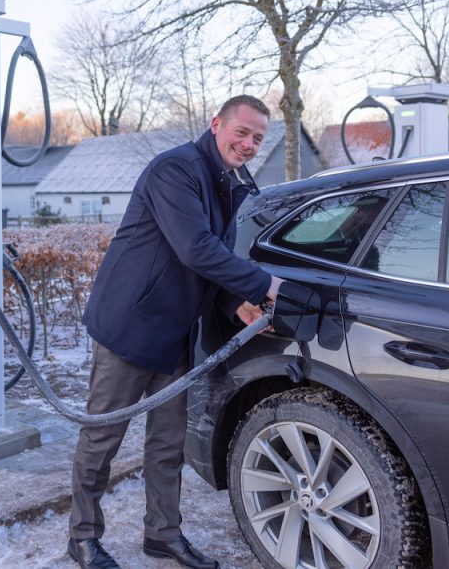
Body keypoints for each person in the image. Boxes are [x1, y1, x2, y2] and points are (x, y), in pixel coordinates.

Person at [67, 95, 281, 569]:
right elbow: (195, 248)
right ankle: (82, 536)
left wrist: (236, 302)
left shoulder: (234, 184)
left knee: (167, 444)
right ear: (216, 125)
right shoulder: (175, 170)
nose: (248, 145)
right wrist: (265, 284)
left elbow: (209, 267)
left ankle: (162, 535)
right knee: (102, 439)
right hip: (131, 325)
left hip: (176, 332)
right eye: (241, 132)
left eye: (258, 139)